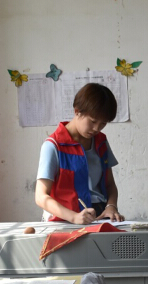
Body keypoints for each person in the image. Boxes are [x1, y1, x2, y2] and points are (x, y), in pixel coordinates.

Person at [34, 83, 125, 224]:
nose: (97, 128)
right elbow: (41, 197)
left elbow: (110, 185)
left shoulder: (101, 142)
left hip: (98, 216)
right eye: (93, 121)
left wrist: (111, 206)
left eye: (103, 123)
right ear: (77, 112)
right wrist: (73, 217)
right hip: (63, 220)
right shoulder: (53, 146)